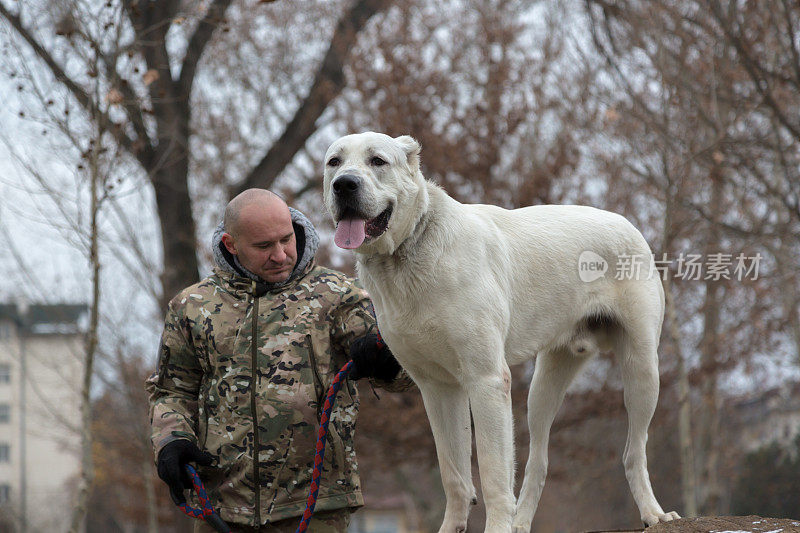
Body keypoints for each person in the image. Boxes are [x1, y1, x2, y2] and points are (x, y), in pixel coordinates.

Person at [146, 189, 413, 532]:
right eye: (263, 246)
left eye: (286, 239)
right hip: (221, 507)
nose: (280, 255)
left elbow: (410, 376)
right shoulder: (192, 306)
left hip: (315, 508)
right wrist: (171, 441)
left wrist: (388, 360)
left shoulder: (337, 295)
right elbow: (172, 391)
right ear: (231, 244)